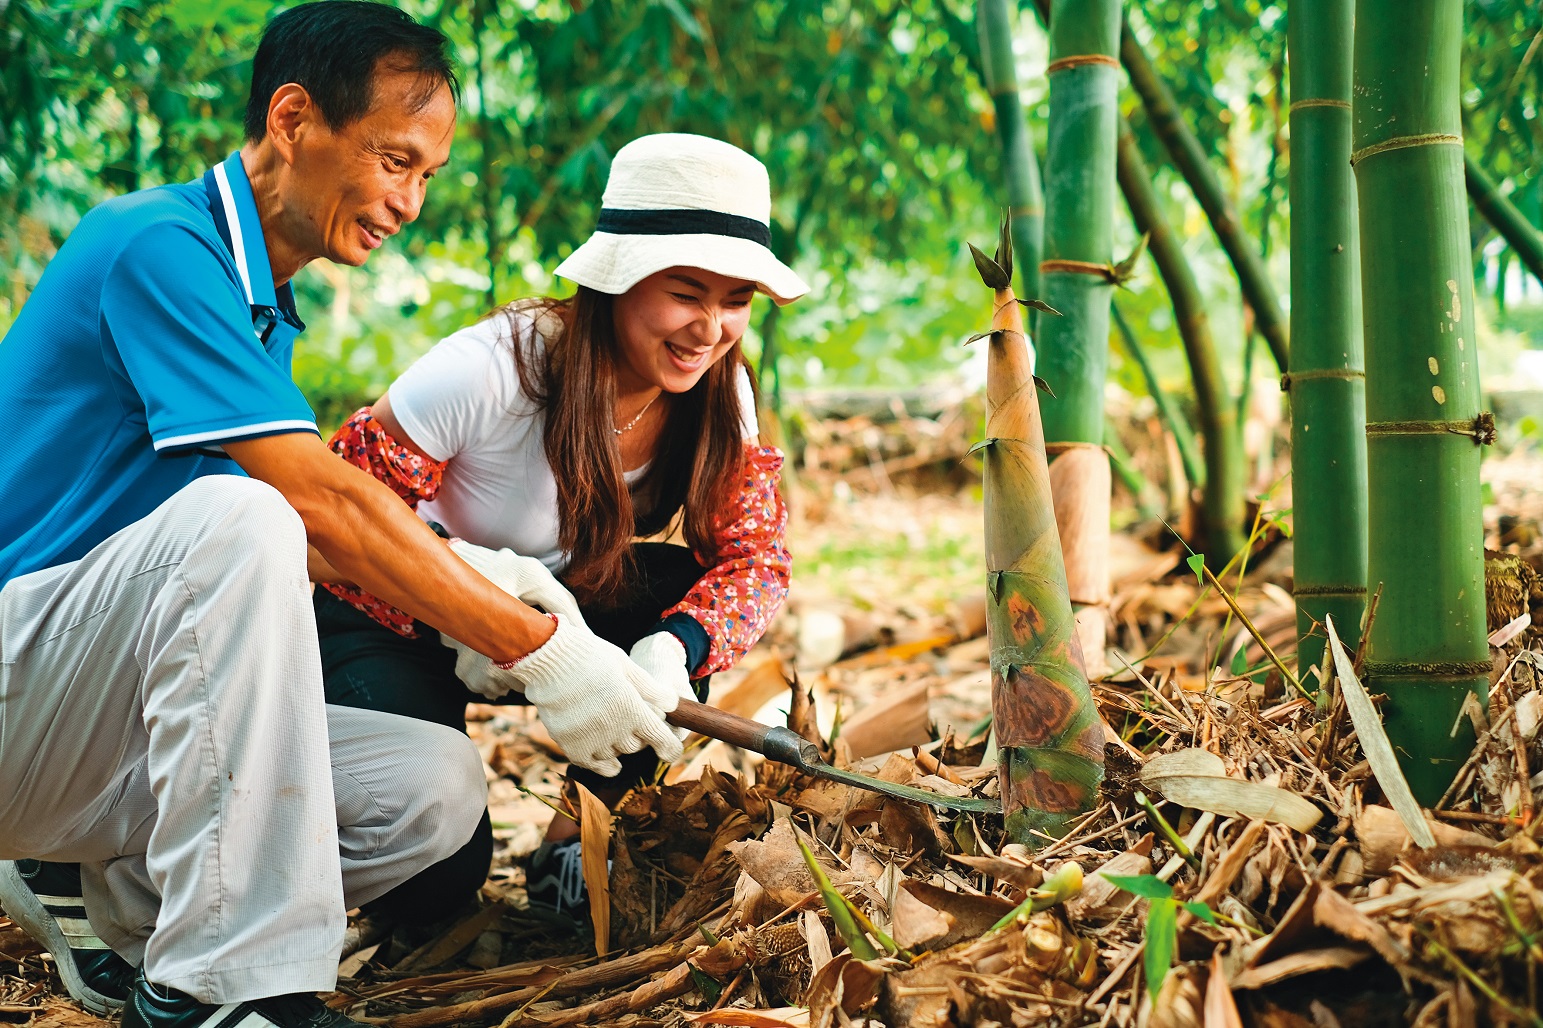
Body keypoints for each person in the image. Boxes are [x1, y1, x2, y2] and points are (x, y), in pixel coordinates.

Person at [0, 6, 686, 1027]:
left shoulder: (259, 302)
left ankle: (111, 894)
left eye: (427, 176)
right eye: (393, 161)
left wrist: (484, 595)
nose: (410, 201)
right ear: (292, 118)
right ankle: (224, 991)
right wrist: (543, 650)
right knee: (244, 519)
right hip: (23, 690)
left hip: (90, 721)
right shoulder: (155, 247)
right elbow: (314, 509)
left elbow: (327, 530)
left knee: (430, 789)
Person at [310, 132, 806, 921]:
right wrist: (466, 615)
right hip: (395, 612)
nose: (710, 328)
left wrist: (675, 650)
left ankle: (577, 840)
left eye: (736, 300)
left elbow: (754, 559)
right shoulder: (488, 370)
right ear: (618, 282)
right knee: (434, 885)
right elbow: (336, 528)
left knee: (676, 594)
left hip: (561, 608)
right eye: (685, 291)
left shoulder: (719, 397)